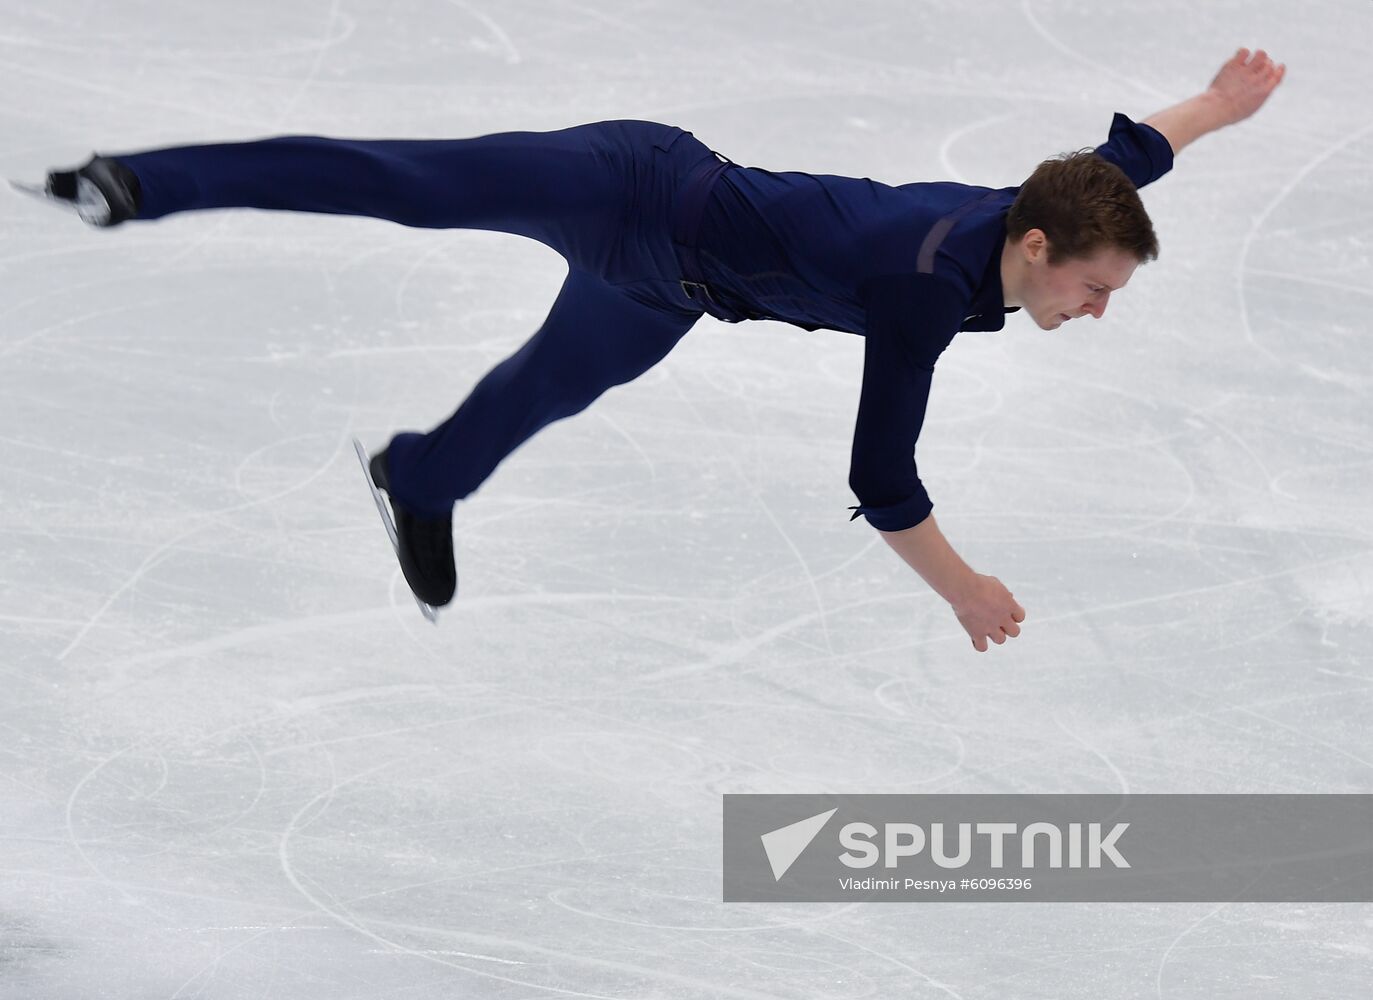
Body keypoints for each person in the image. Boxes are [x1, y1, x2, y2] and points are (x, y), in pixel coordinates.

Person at [39, 48, 1285, 650]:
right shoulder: (922, 292)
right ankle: (137, 184)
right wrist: (961, 590)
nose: (1097, 307)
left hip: (674, 285)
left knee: (548, 386)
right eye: (1091, 286)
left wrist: (1213, 112)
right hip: (628, 186)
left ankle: (416, 478)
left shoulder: (1048, 204)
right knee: (402, 183)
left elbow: (1121, 158)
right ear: (1028, 247)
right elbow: (882, 481)